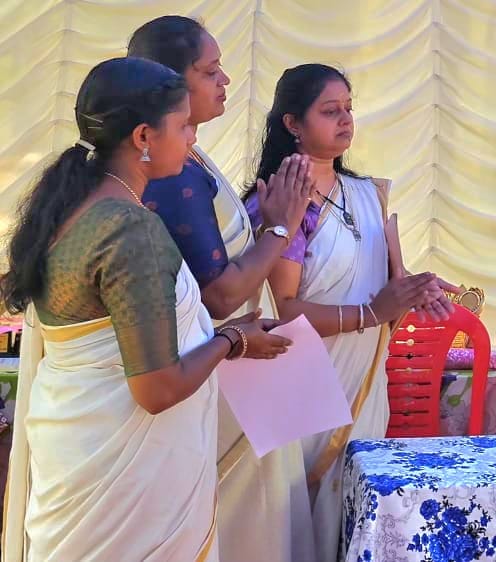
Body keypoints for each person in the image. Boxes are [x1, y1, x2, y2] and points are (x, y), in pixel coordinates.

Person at [0, 57, 288, 562]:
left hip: (77, 454)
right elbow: (157, 390)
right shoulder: (130, 230)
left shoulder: (75, 208)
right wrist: (233, 339)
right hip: (125, 483)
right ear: (143, 137)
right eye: (183, 126)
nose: (192, 140)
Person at [244, 63, 455, 560]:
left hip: (363, 381)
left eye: (348, 109)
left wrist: (415, 289)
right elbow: (281, 309)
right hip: (300, 386)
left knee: (352, 510)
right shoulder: (281, 203)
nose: (345, 120)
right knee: (301, 517)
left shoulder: (365, 195)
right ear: (293, 123)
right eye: (329, 111)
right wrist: (370, 313)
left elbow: (386, 284)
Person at [127, 16, 316, 562]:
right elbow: (219, 296)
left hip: (238, 356)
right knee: (245, 518)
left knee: (262, 507)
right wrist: (280, 228)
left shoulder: (191, 158)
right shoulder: (174, 173)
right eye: (210, 71)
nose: (225, 80)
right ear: (170, 83)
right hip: (217, 364)